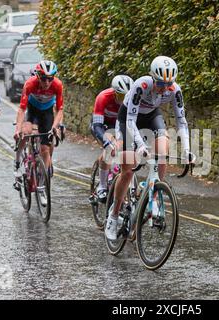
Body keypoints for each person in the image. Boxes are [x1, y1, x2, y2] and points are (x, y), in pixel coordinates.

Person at [104, 56, 195, 240]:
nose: (164, 88)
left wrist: (187, 150)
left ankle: (155, 192)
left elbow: (181, 122)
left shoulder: (175, 90)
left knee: (163, 150)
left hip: (152, 115)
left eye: (168, 84)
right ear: (153, 78)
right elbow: (130, 120)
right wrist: (140, 145)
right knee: (128, 169)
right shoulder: (141, 85)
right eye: (161, 83)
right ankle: (113, 216)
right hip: (128, 119)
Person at [13, 60, 63, 183]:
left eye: (50, 78)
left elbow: (60, 110)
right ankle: (18, 161)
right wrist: (18, 129)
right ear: (38, 76)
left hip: (47, 112)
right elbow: (21, 109)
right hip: (33, 110)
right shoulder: (30, 84)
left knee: (45, 149)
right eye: (44, 78)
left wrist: (55, 126)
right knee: (25, 132)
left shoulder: (57, 85)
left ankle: (42, 184)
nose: (47, 82)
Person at [90, 74, 134, 201]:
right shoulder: (103, 97)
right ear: (114, 93)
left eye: (127, 96)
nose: (123, 100)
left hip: (120, 124)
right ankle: (102, 186)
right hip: (104, 125)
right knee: (109, 149)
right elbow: (97, 125)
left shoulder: (133, 99)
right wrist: (106, 143)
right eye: (121, 96)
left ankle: (119, 179)